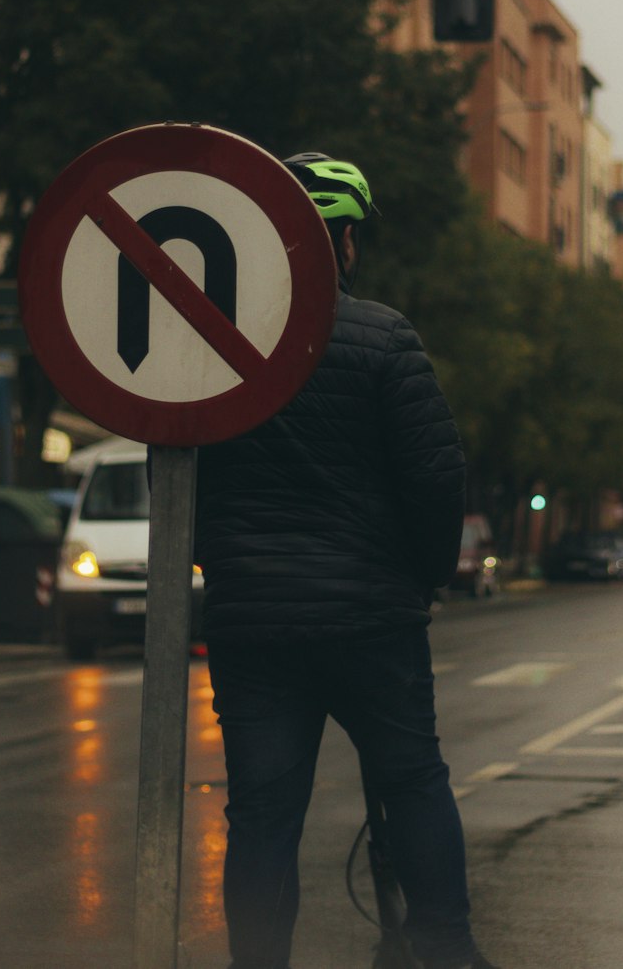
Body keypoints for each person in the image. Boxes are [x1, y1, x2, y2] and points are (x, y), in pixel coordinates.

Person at [195, 152, 499, 969]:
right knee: (413, 781)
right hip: (372, 619)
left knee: (262, 814)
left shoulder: (214, 345)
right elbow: (437, 476)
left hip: (253, 626)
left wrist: (223, 565)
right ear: (346, 241)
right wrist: (425, 576)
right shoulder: (385, 337)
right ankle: (444, 948)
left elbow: (182, 480)